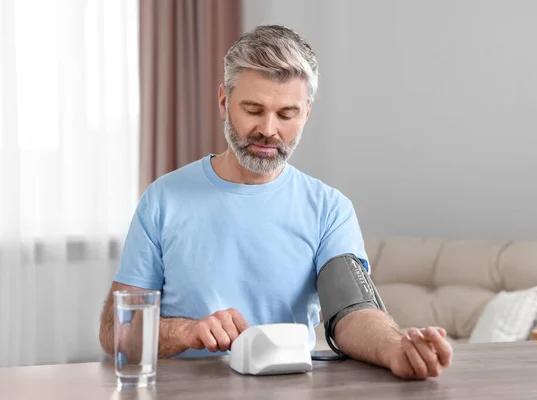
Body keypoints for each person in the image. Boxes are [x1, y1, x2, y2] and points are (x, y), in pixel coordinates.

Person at [99, 24, 452, 380]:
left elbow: (351, 312)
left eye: (286, 115)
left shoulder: (329, 209)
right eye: (253, 110)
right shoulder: (164, 199)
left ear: (307, 113)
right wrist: (188, 331)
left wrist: (395, 348)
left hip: (288, 388)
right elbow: (116, 331)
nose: (269, 129)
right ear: (224, 102)